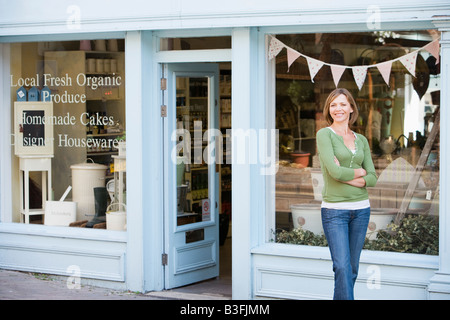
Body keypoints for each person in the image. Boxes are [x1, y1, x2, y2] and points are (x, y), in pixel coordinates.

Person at [316, 88, 377, 300]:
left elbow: (373, 177)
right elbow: (333, 172)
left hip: (361, 210)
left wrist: (347, 175)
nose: (338, 109)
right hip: (334, 211)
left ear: (351, 108)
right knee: (341, 267)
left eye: (342, 104)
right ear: (328, 109)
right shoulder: (324, 135)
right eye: (333, 105)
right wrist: (359, 173)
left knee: (352, 269)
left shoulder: (361, 140)